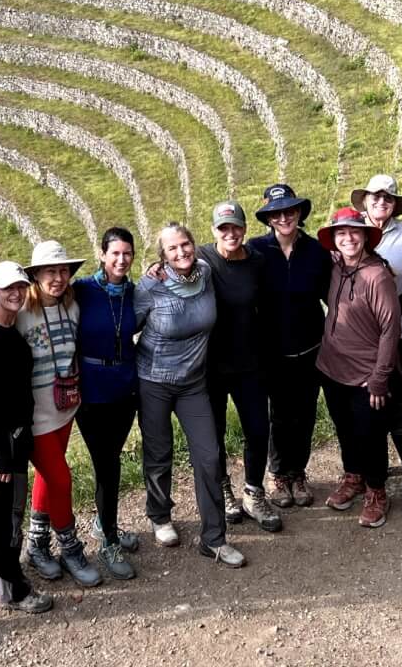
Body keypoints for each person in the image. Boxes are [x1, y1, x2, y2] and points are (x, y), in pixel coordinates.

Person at [134, 222, 243, 567]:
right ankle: (160, 514)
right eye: (171, 249)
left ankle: (213, 538)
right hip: (153, 380)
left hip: (193, 383)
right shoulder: (152, 284)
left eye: (185, 245)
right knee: (159, 451)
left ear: (194, 245)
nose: (180, 252)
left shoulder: (206, 273)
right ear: (162, 256)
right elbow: (127, 323)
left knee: (209, 456)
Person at [0, 262, 55, 614]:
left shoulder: (4, 324)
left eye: (21, 287)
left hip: (14, 429)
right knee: (8, 510)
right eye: (9, 289)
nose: (16, 294)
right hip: (0, 433)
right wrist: (3, 454)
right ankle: (10, 588)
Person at [18, 240, 101, 587]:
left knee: (47, 478)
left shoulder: (73, 307)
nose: (58, 278)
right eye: (50, 271)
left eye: (63, 271)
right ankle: (69, 546)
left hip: (64, 408)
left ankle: (36, 544)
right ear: (35, 275)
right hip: (35, 415)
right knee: (61, 478)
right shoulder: (21, 311)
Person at [312, 207, 399, 528]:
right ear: (334, 240)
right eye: (341, 233)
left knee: (371, 433)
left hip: (366, 373)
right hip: (331, 366)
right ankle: (354, 476)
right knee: (345, 428)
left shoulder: (377, 275)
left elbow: (390, 329)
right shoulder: (335, 266)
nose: (348, 238)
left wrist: (380, 378)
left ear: (365, 236)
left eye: (354, 232)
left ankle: (377, 490)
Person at [199, 201, 282, 533]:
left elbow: (269, 307)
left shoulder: (256, 263)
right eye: (223, 228)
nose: (230, 233)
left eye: (235, 227)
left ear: (245, 229)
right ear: (213, 232)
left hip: (250, 362)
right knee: (214, 432)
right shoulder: (202, 258)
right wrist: (154, 268)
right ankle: (223, 489)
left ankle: (253, 491)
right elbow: (171, 263)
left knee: (258, 430)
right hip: (211, 365)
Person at [248, 184, 330, 508]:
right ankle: (279, 473)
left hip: (311, 347)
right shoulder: (255, 252)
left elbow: (331, 295)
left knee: (306, 413)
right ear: (269, 218)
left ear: (299, 213)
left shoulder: (316, 251)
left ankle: (299, 472)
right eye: (277, 213)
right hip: (272, 351)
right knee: (280, 416)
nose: (284, 217)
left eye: (290, 211)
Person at [72, 228, 142, 579]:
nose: (121, 260)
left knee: (111, 460)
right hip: (91, 392)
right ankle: (109, 540)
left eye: (127, 253)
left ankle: (104, 524)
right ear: (102, 254)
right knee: (107, 465)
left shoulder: (134, 291)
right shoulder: (83, 290)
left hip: (125, 389)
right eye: (114, 253)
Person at [359, 174, 402, 518]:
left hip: (397, 332)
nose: (381, 202)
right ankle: (369, 479)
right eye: (375, 196)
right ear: (365, 200)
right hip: (359, 336)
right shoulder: (349, 230)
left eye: (388, 198)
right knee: (363, 411)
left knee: (392, 407)